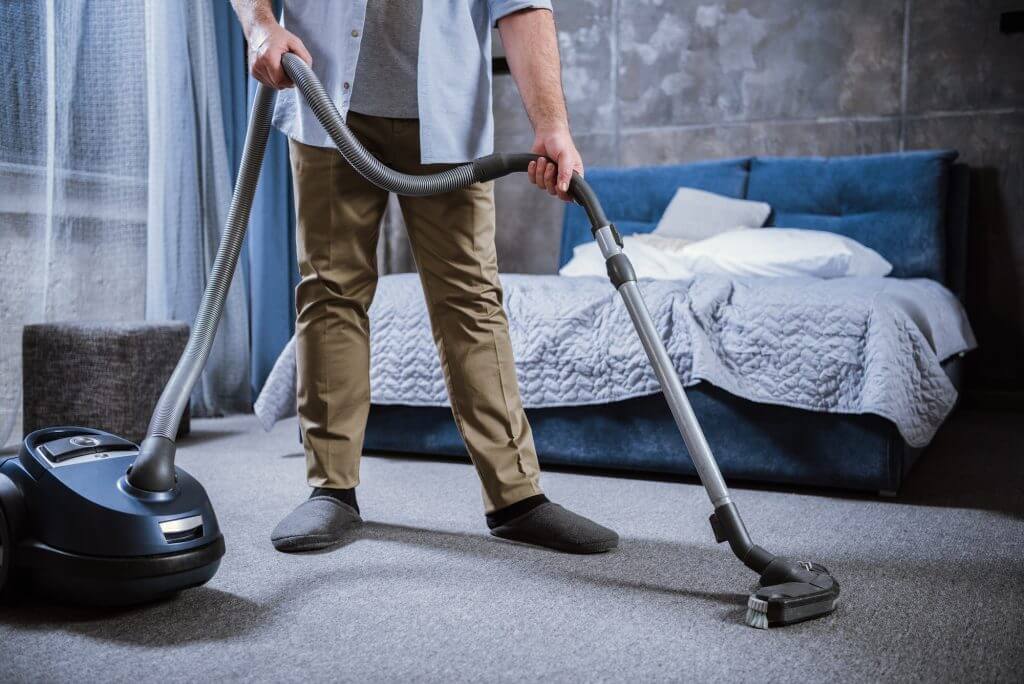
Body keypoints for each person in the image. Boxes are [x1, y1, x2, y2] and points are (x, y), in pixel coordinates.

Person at [230, 0, 618, 555]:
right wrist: (261, 25)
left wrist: (552, 123)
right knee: (330, 290)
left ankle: (516, 497)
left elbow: (523, 4)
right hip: (324, 96)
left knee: (471, 298)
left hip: (447, 110)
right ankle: (331, 489)